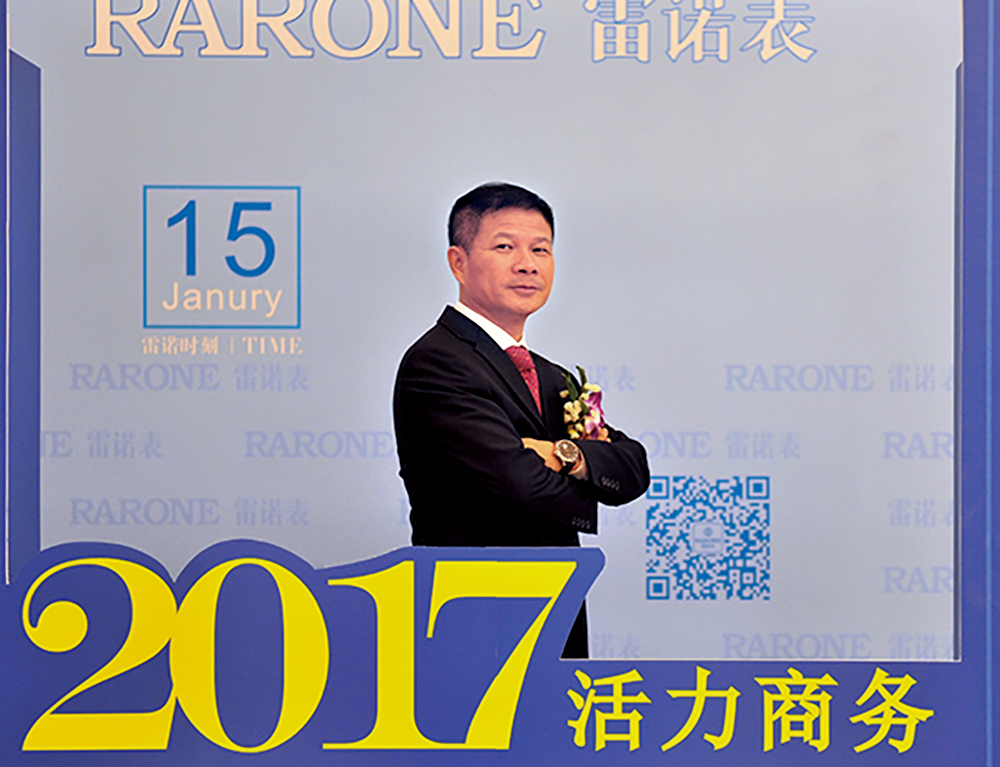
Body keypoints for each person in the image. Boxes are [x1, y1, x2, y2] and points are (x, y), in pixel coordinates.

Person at [393, 182, 649, 657]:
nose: (527, 264)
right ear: (458, 262)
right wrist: (583, 469)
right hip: (474, 620)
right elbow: (520, 485)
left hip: (557, 617)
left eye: (541, 249)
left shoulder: (552, 377)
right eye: (505, 247)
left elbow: (633, 467)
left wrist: (560, 453)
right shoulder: (438, 362)